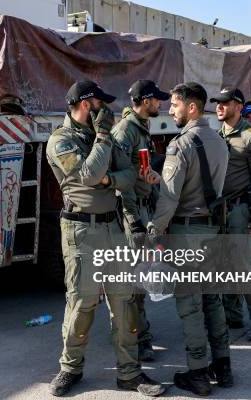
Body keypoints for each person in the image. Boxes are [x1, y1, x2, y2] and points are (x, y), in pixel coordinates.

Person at [45, 80, 165, 397]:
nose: (107, 110)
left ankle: (129, 373)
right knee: (82, 304)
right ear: (86, 104)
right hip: (81, 231)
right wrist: (101, 142)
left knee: (124, 302)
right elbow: (87, 175)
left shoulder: (106, 138)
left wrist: (110, 178)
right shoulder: (61, 141)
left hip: (113, 228)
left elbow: (128, 177)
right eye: (101, 103)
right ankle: (70, 369)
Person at [151, 82, 232, 396]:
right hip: (212, 231)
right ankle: (222, 367)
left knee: (190, 306)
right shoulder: (219, 141)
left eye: (174, 105)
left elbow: (170, 199)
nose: (171, 111)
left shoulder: (180, 145)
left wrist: (153, 231)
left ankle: (198, 373)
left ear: (192, 107)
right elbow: (202, 186)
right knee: (213, 300)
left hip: (187, 235)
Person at [111, 79, 169, 361]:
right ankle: (138, 338)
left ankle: (139, 333)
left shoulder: (140, 128)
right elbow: (122, 182)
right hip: (132, 212)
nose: (161, 103)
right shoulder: (125, 131)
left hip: (143, 209)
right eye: (157, 99)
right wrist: (134, 221)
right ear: (145, 101)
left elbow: (140, 174)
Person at [211, 88, 251, 341]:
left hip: (242, 209)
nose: (219, 107)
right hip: (220, 211)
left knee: (244, 268)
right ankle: (233, 315)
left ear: (238, 106)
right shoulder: (216, 136)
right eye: (217, 103)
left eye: (225, 103)